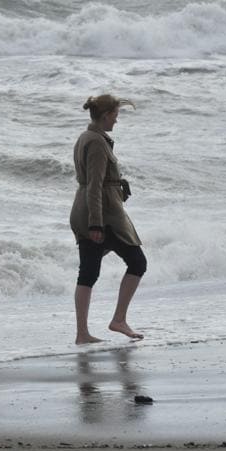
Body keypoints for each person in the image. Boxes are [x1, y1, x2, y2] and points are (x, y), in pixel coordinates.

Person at [69, 94, 147, 344]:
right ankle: (118, 320)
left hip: (92, 211)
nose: (117, 120)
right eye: (115, 115)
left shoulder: (87, 137)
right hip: (102, 215)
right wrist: (96, 223)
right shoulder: (97, 142)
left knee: (88, 271)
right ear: (104, 116)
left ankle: (83, 333)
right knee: (137, 262)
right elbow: (94, 185)